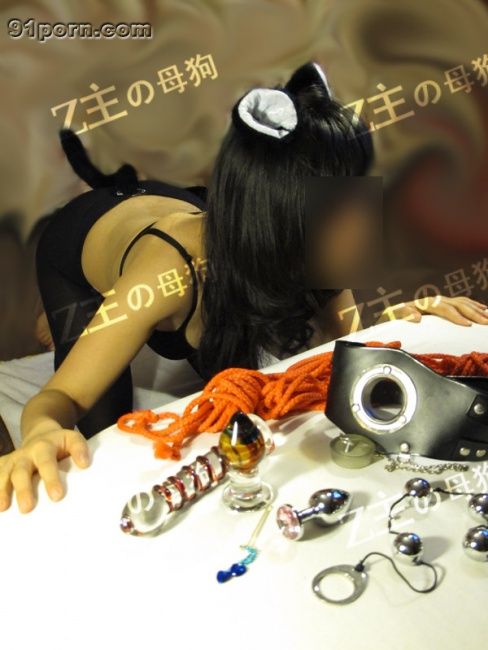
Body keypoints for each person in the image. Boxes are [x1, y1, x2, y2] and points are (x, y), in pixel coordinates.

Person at [1, 61, 487, 515]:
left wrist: (402, 321)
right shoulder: (166, 276)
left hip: (193, 212)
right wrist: (41, 432)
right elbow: (60, 398)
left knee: (231, 378)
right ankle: (78, 316)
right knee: (100, 433)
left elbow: (343, 351)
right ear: (288, 218)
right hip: (87, 240)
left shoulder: (312, 235)